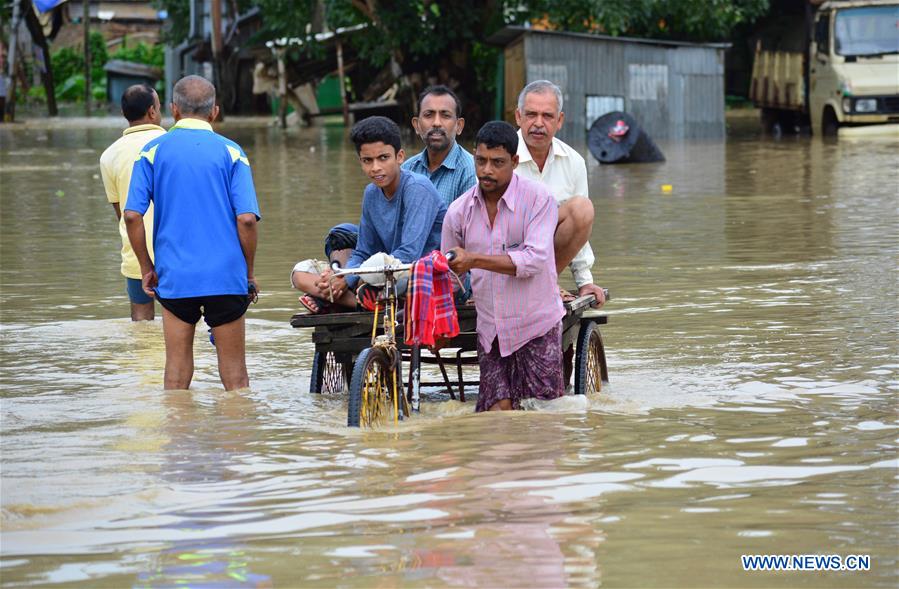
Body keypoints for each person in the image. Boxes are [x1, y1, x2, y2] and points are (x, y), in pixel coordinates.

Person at [124, 75, 260, 391]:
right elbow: (246, 220)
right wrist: (248, 273)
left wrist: (146, 268)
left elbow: (131, 215)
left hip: (175, 275)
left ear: (174, 109)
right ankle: (239, 424)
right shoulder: (232, 152)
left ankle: (177, 423)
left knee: (175, 372)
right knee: (236, 377)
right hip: (225, 276)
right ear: (214, 111)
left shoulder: (151, 152)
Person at [442, 121, 564, 412]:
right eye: (481, 161)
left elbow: (533, 260)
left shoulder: (539, 199)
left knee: (543, 419)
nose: (487, 170)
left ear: (514, 161)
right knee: (497, 418)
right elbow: (448, 273)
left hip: (536, 327)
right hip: (491, 332)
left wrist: (473, 259)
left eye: (497, 163)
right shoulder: (458, 211)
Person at [292, 116, 446, 312]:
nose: (375, 168)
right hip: (381, 274)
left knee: (378, 265)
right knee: (300, 273)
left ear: (399, 157)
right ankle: (356, 300)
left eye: (383, 158)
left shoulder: (418, 188)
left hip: (417, 275)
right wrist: (342, 277)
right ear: (361, 161)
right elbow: (363, 251)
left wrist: (348, 278)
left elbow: (408, 255)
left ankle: (342, 299)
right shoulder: (371, 193)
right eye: (367, 161)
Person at [515, 80, 606, 305]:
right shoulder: (500, 156)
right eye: (531, 115)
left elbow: (581, 230)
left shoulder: (574, 162)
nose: (538, 123)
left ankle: (543, 283)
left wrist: (585, 281)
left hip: (545, 261)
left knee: (582, 210)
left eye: (547, 116)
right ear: (518, 117)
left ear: (559, 121)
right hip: (505, 255)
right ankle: (535, 285)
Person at [99, 84, 165, 321]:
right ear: (152, 112)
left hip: (136, 253)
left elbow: (123, 214)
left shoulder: (109, 155)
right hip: (177, 250)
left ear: (123, 113)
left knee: (141, 322)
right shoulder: (172, 144)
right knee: (184, 320)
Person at [402, 85, 476, 206]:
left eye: (445, 115)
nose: (436, 123)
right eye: (428, 115)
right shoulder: (407, 169)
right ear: (417, 125)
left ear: (459, 126)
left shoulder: (470, 171)